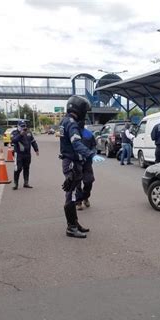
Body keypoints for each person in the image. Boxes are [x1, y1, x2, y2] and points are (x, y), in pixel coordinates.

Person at [59, 95, 94, 238]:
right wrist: (91, 154)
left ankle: (75, 223)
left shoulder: (65, 120)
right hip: (72, 163)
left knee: (73, 194)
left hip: (70, 161)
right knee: (71, 195)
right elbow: (77, 144)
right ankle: (71, 227)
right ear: (79, 110)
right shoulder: (71, 123)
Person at [11, 120, 39, 190]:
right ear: (18, 126)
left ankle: (26, 183)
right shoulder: (14, 132)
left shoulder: (29, 132)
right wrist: (20, 134)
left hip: (27, 154)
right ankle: (15, 183)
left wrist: (36, 149)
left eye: (24, 126)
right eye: (22, 126)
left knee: (26, 168)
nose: (24, 128)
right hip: (18, 154)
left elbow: (33, 141)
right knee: (18, 168)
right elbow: (13, 140)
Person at [76, 122, 97, 210]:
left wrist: (92, 153)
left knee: (89, 181)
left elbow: (94, 146)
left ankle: (85, 197)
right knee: (77, 183)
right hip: (76, 161)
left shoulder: (88, 133)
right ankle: (78, 202)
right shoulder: (72, 133)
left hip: (87, 162)